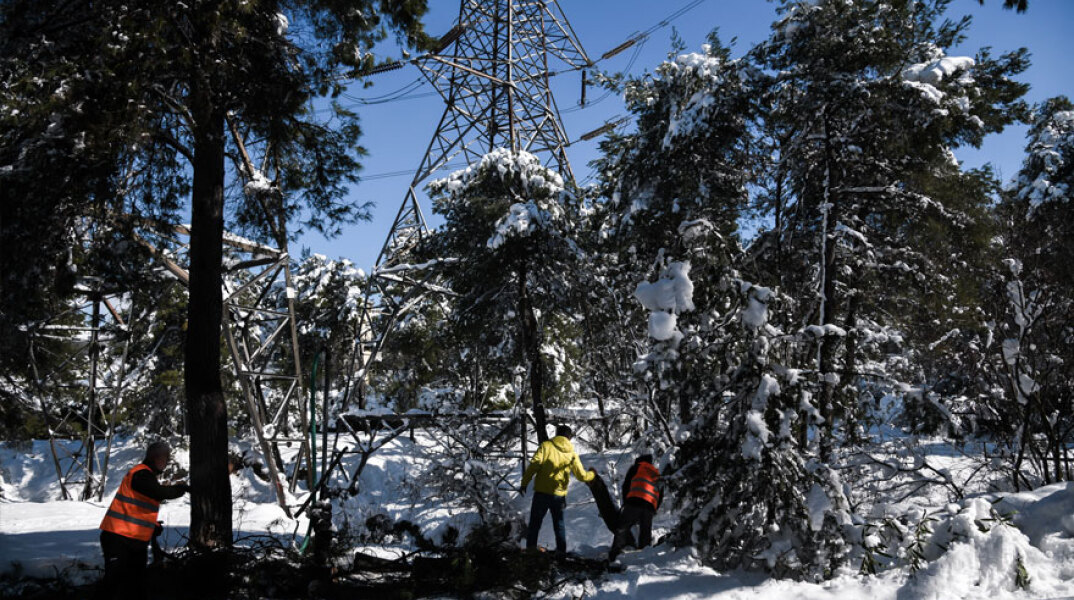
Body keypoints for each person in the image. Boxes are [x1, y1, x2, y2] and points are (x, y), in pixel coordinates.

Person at [97, 441, 189, 600]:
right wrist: (179, 490)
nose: (166, 463)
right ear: (157, 458)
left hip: (134, 540)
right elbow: (157, 492)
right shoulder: (141, 474)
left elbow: (138, 508)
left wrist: (152, 526)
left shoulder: (147, 476)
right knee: (114, 582)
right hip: (118, 537)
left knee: (136, 583)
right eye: (165, 459)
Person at [520, 424, 595, 556]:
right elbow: (582, 476)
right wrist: (592, 475)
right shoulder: (571, 453)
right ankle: (561, 552)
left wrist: (524, 483)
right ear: (569, 437)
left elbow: (533, 466)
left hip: (542, 494)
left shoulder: (546, 446)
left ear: (556, 434)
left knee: (535, 525)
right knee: (559, 525)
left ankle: (531, 552)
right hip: (558, 496)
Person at [608, 453, 662, 562]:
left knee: (622, 527)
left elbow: (626, 485)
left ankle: (614, 554)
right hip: (649, 507)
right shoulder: (656, 472)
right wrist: (654, 509)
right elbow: (660, 493)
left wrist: (626, 502)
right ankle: (644, 559)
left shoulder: (637, 467)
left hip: (634, 502)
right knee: (645, 532)